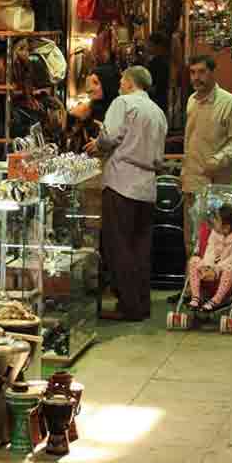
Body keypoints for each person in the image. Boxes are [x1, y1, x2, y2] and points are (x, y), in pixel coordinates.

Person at [84, 66, 168, 321]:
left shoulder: (123, 102)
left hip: (123, 182)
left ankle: (128, 305)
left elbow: (109, 136)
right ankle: (141, 304)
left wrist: (96, 144)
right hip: (147, 185)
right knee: (140, 246)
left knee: (118, 245)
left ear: (131, 82)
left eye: (122, 80)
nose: (119, 84)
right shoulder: (157, 111)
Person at [182, 54, 232, 195]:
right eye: (192, 72)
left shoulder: (229, 102)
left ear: (213, 72)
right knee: (192, 216)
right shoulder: (191, 100)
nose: (196, 77)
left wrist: (217, 161)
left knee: (215, 217)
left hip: (218, 181)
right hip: (192, 178)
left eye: (201, 72)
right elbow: (190, 139)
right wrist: (185, 171)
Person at [183, 203, 232, 312]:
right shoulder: (216, 233)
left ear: (226, 227)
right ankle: (196, 296)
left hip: (228, 272)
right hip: (210, 268)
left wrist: (216, 270)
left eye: (216, 220)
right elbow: (210, 250)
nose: (213, 223)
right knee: (194, 261)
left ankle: (216, 299)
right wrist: (207, 266)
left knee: (230, 267)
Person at [146, 33, 172, 118]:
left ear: (158, 46)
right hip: (159, 100)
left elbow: (159, 86)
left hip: (157, 101)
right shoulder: (158, 61)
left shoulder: (159, 63)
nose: (147, 47)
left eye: (150, 45)